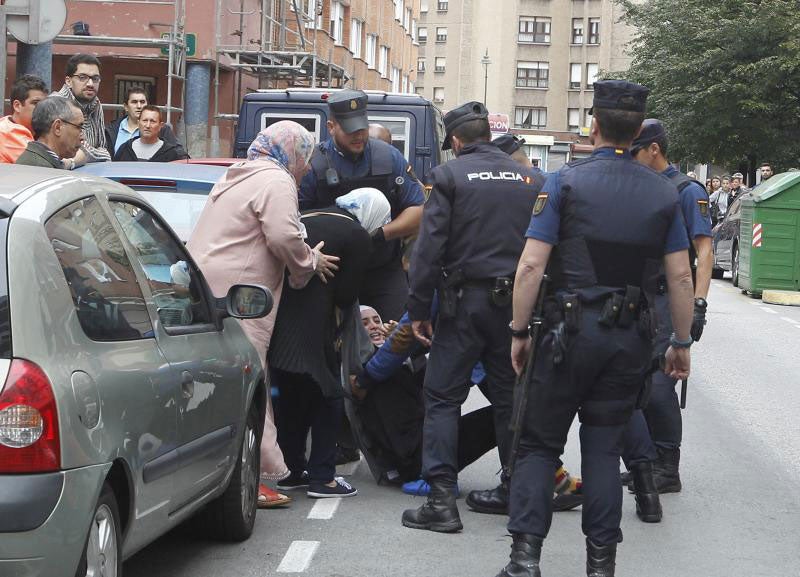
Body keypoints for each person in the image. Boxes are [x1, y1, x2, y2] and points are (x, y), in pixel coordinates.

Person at [494, 80, 694, 577]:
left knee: (538, 444)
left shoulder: (564, 182)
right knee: (604, 448)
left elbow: (530, 268)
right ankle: (601, 565)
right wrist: (682, 342)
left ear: (595, 126)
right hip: (628, 338)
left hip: (567, 332)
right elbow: (681, 275)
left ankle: (524, 560)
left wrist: (519, 331)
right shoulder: (664, 192)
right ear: (638, 131)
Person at [400, 100, 546, 534]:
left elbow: (429, 248)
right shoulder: (532, 178)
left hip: (463, 304)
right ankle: (512, 488)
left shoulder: (448, 176)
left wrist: (417, 309)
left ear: (457, 141)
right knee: (508, 397)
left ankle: (442, 500)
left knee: (443, 397)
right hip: (514, 306)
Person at [187, 121, 340, 507]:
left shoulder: (240, 172)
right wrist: (310, 261)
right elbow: (284, 235)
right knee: (250, 381)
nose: (306, 168)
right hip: (242, 295)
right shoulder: (276, 179)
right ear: (293, 153)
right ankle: (255, 475)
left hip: (208, 287)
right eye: (305, 158)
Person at [621, 119, 713, 520]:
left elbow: (704, 251)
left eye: (637, 152)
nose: (633, 160)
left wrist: (698, 304)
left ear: (654, 150)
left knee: (660, 385)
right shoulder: (645, 188)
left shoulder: (686, 191)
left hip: (666, 298)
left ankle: (668, 468)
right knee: (638, 383)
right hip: (641, 296)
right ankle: (651, 459)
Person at [270, 188, 384, 499]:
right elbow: (347, 295)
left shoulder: (305, 217)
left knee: (290, 399)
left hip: (277, 321)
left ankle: (291, 470)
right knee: (329, 397)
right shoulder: (357, 234)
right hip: (315, 326)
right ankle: (323, 478)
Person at [300, 89, 425, 322]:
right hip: (331, 271)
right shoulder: (313, 164)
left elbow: (418, 210)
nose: (358, 136)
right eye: (350, 130)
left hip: (381, 269)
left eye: (362, 128)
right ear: (331, 127)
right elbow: (296, 220)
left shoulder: (389, 158)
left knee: (399, 335)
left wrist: (379, 235)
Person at [54, 54, 111, 163]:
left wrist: (87, 154)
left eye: (95, 78)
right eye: (82, 77)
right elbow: (65, 155)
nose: (90, 84)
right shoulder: (56, 105)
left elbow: (103, 149)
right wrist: (94, 154)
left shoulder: (96, 103)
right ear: (68, 81)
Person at [105, 87, 184, 156]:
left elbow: (180, 155)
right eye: (134, 102)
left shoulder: (161, 129)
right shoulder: (111, 130)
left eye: (142, 102)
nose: (139, 106)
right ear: (126, 107)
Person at [16, 96, 84, 169]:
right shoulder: (41, 170)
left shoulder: (37, 159)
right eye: (78, 127)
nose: (82, 137)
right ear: (57, 127)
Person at [113, 105, 189, 162]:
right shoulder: (125, 149)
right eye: (145, 120)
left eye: (152, 121)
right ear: (139, 123)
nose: (148, 125)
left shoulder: (171, 153)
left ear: (160, 126)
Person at [0, 75, 48, 163]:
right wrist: (73, 161)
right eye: (35, 103)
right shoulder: (8, 133)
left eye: (44, 104)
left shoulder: (8, 122)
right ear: (17, 106)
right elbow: (45, 164)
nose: (43, 109)